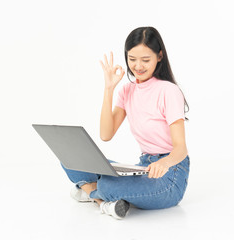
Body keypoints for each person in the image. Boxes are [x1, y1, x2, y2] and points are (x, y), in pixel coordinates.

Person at [62, 26, 190, 220]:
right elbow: (106, 134)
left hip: (170, 176)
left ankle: (93, 194)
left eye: (145, 60)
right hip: (143, 167)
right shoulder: (127, 91)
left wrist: (164, 162)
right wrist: (109, 88)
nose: (138, 66)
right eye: (132, 59)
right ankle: (105, 201)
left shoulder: (168, 91)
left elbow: (181, 149)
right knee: (72, 160)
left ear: (159, 56)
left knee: (107, 184)